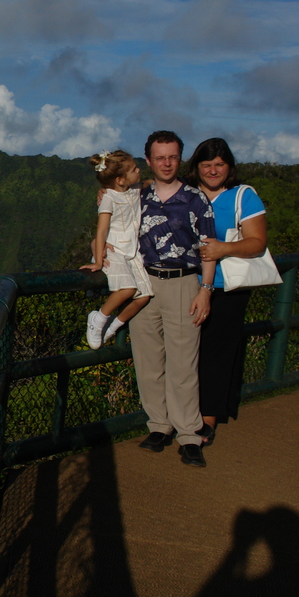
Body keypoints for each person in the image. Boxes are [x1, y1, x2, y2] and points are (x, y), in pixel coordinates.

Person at [130, 130, 217, 467]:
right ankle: (158, 425)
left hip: (183, 283)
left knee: (183, 362)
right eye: (159, 157)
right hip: (144, 283)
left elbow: (208, 249)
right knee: (148, 360)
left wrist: (205, 291)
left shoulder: (196, 199)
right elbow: (113, 224)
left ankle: (189, 434)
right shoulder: (136, 198)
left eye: (172, 156)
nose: (166, 163)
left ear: (179, 159)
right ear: (148, 160)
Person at [187, 137, 268, 445]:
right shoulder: (186, 193)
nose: (213, 170)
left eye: (219, 164)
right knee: (186, 353)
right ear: (197, 167)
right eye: (206, 164)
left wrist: (224, 249)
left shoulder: (241, 196)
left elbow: (257, 241)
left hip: (227, 288)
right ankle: (185, 412)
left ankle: (207, 419)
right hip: (186, 283)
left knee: (215, 354)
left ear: (229, 166)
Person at [80, 150, 152, 349]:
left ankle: (112, 327)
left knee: (144, 296)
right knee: (128, 289)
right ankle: (98, 319)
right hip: (115, 250)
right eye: (134, 169)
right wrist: (97, 258)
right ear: (120, 179)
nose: (139, 170)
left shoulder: (134, 189)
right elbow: (102, 230)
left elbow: (149, 183)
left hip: (132, 251)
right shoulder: (108, 198)